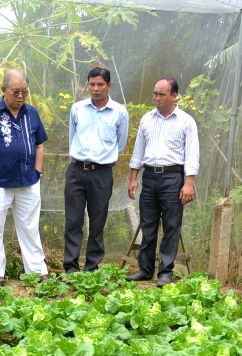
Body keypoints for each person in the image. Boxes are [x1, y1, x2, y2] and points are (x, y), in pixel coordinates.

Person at [0, 69, 49, 285]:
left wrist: (37, 171)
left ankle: (36, 270)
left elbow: (40, 145)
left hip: (28, 181)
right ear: (4, 90)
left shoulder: (32, 113)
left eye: (24, 92)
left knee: (30, 227)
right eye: (16, 92)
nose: (21, 96)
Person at [126, 77, 199, 287]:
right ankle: (145, 269)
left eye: (161, 94)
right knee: (148, 225)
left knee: (171, 225)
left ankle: (165, 272)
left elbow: (192, 154)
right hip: (149, 177)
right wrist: (133, 178)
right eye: (155, 94)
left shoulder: (186, 121)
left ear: (174, 96)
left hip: (173, 177)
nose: (156, 98)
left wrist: (189, 183)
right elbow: (138, 150)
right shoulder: (147, 119)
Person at [63, 67, 129, 274]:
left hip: (102, 173)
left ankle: (92, 267)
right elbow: (73, 137)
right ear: (88, 85)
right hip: (76, 171)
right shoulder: (77, 109)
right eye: (92, 84)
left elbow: (121, 143)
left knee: (98, 221)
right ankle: (71, 268)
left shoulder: (119, 112)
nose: (96, 88)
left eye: (100, 84)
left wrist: (102, 158)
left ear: (109, 86)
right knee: (73, 221)